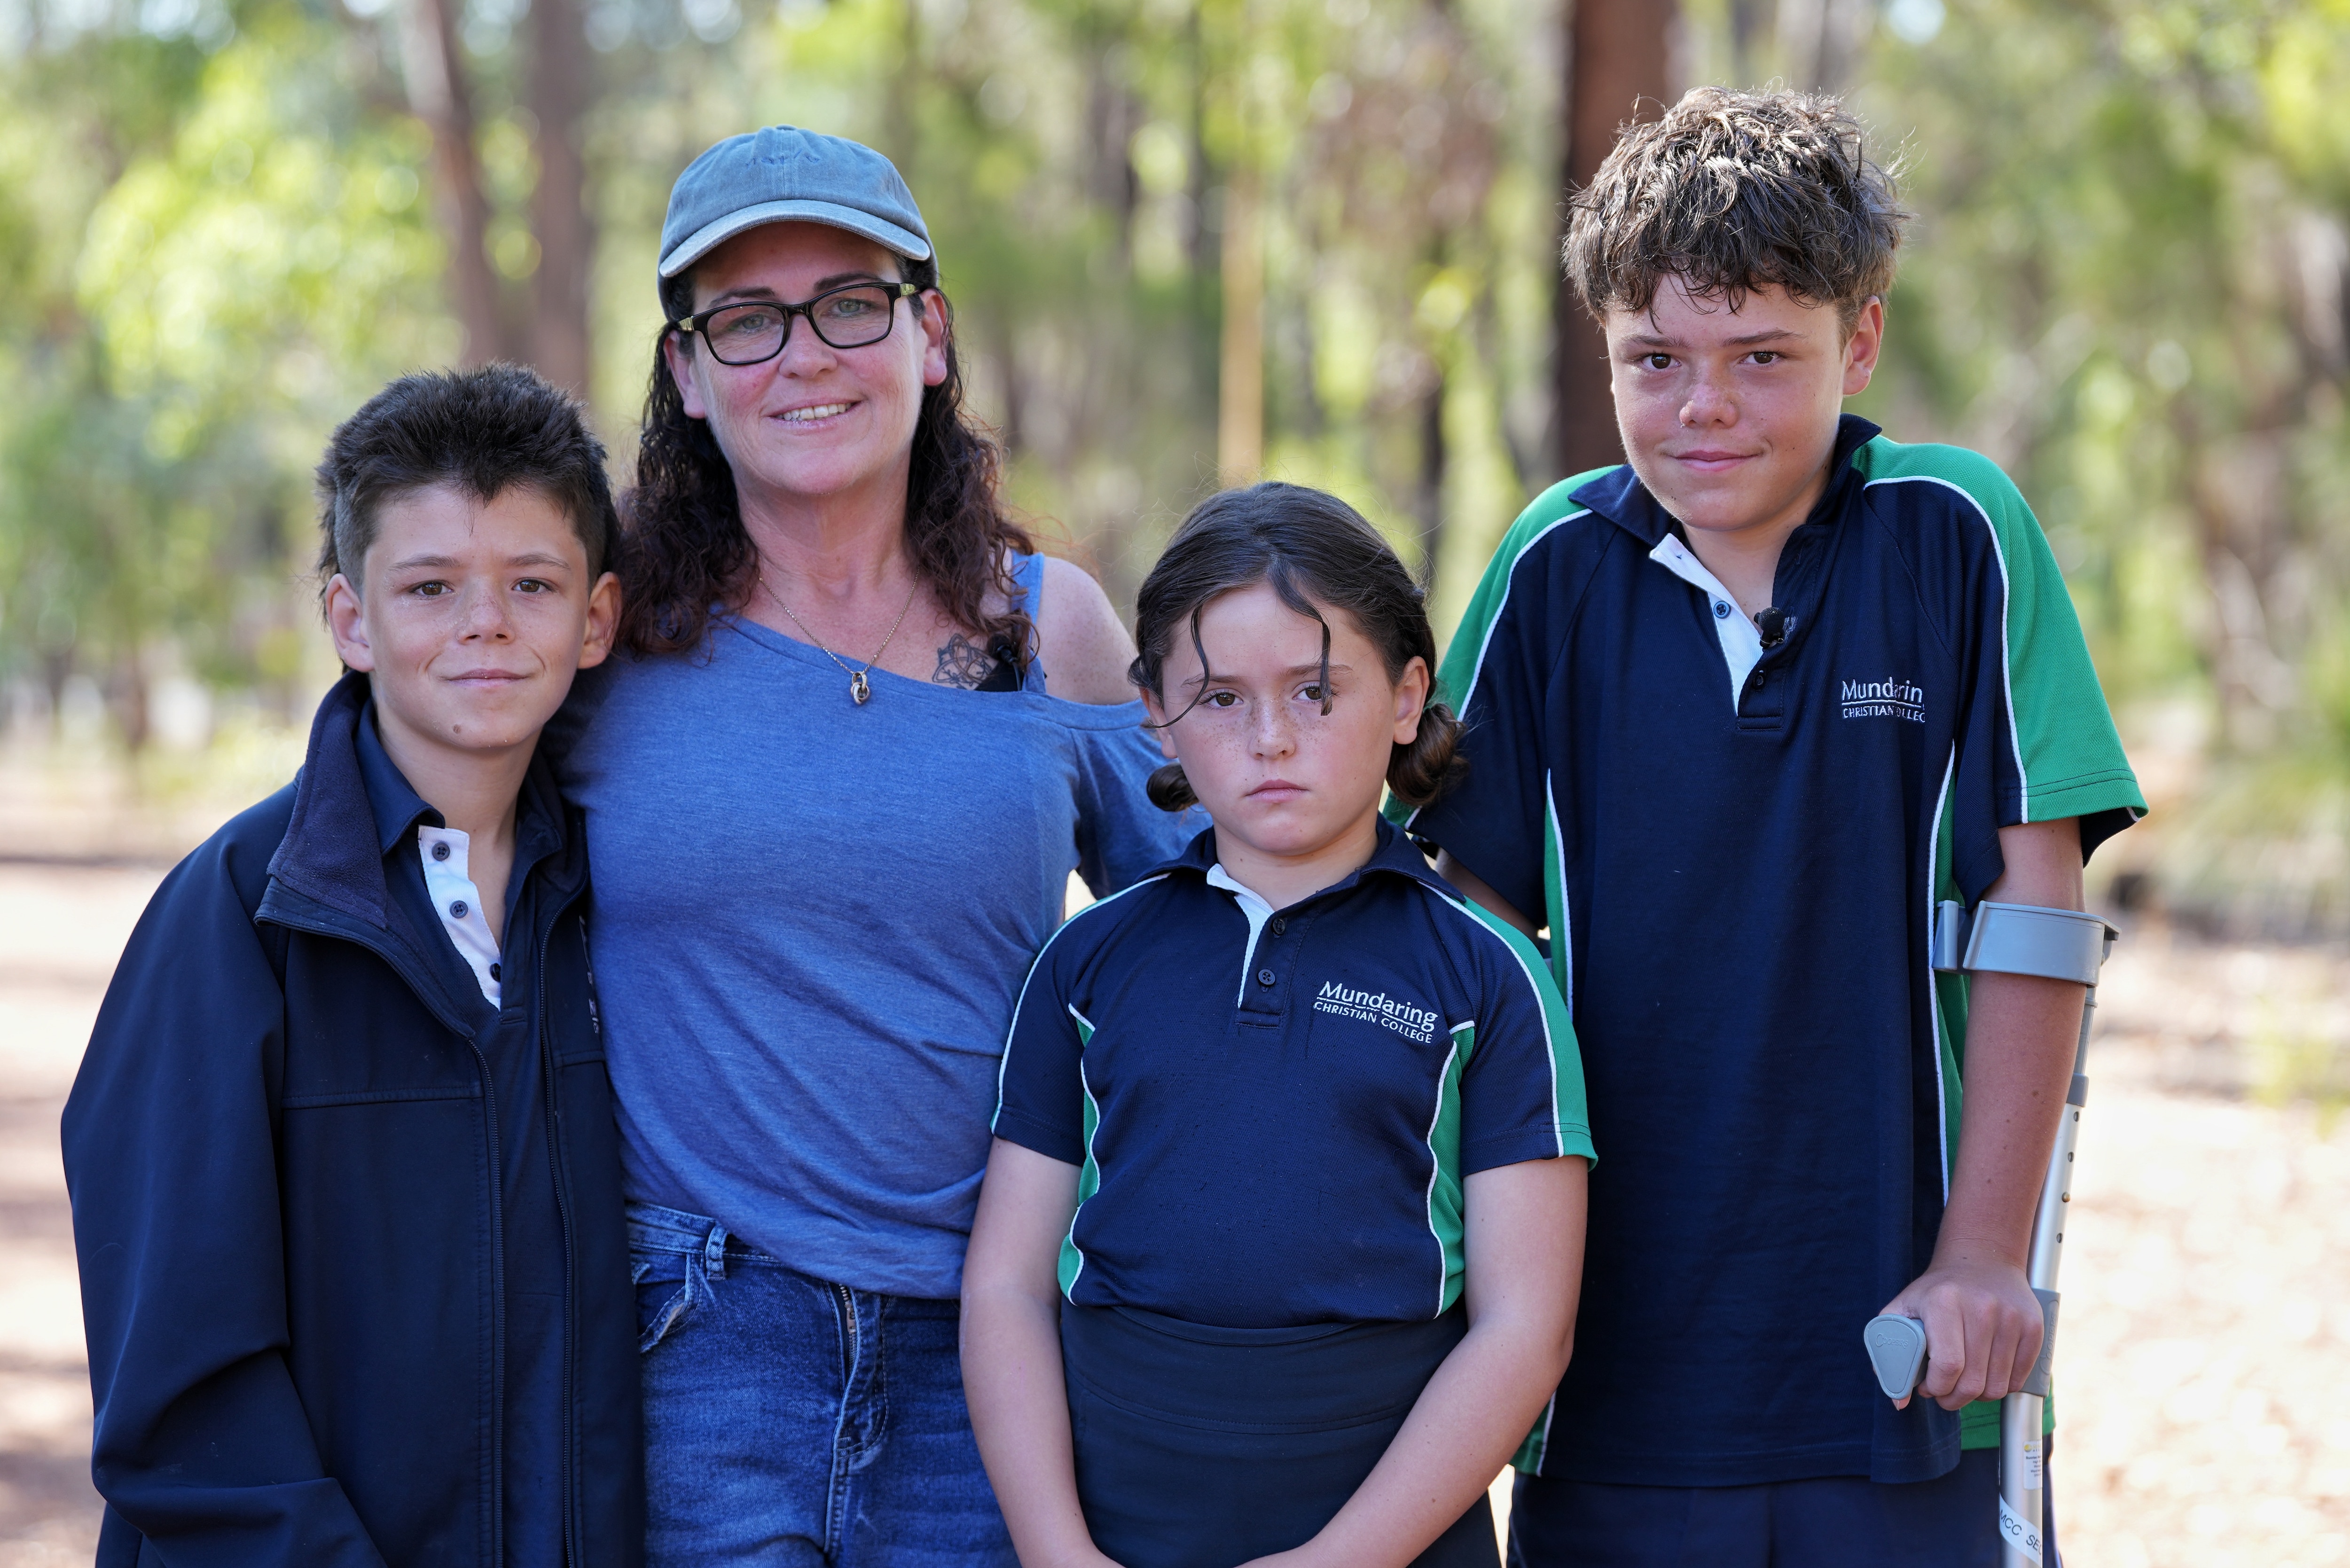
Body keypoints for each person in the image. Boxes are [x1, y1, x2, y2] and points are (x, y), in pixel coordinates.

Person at [1394, 86, 2149, 1565]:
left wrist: (1987, 1254)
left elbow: (2037, 905)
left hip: (1909, 1353)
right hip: (1605, 1368)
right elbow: (1457, 934)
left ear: (1860, 340)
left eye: (1763, 358)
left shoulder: (1957, 535)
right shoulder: (1551, 571)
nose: (1706, 408)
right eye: (1655, 361)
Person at [543, 125, 1193, 1564]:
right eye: (746, 321)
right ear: (688, 375)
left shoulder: (1051, 629)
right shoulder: (605, 642)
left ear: (931, 335)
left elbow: (1218, 933)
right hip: (693, 1337)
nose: (805, 356)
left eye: (850, 303)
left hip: (993, 1346)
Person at [63, 365, 638, 1567]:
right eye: (429, 587)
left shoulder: (612, 904)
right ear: (351, 621)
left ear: (596, 621)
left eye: (531, 585)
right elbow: (180, 1385)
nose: (484, 622)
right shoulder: (238, 915)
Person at [962, 483, 1596, 1568]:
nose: (1270, 739)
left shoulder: (1490, 977)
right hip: (1116, 1529)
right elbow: (1006, 1286)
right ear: (1154, 712)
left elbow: (1525, 1330)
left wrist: (1338, 1561)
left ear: (1405, 699)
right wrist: (1058, 1551)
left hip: (1387, 1537)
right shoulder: (1088, 961)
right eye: (1218, 698)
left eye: (1315, 691)